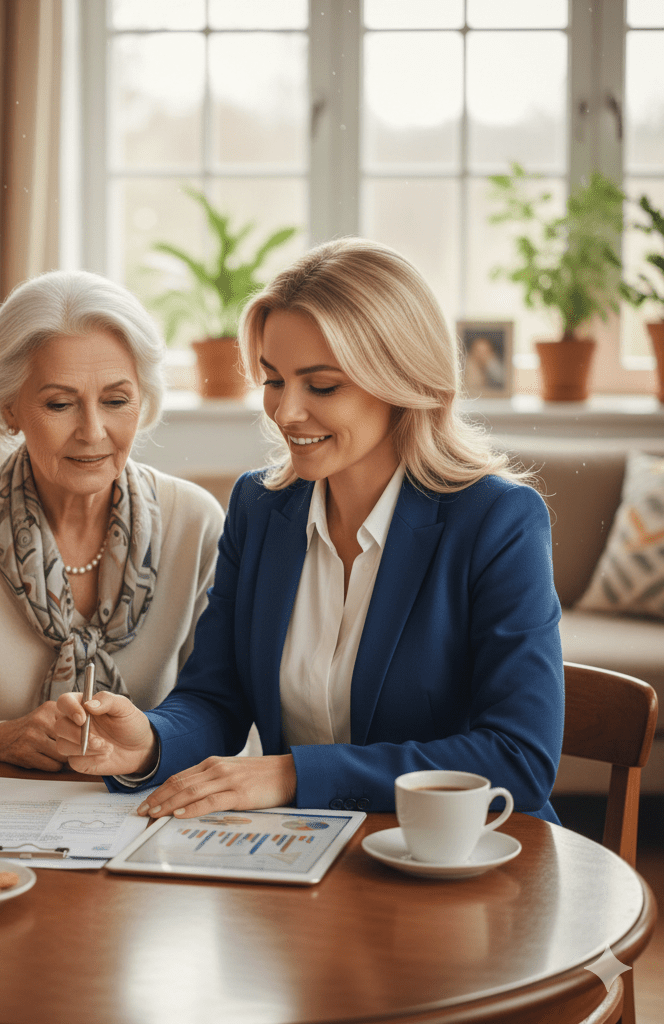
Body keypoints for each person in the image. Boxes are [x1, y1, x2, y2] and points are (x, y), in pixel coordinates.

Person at [53, 239, 565, 822]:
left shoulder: (497, 521)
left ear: (401, 381)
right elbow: (216, 698)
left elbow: (520, 759)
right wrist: (149, 741)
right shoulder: (259, 508)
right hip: (303, 859)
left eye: (322, 386)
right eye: (274, 380)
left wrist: (294, 773)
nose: (287, 412)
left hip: (461, 867)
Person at [0, 270, 225, 771]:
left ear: (143, 401)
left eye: (116, 401)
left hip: (146, 807)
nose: (92, 431)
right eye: (59, 404)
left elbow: (215, 711)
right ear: (8, 408)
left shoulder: (195, 523)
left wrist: (150, 739)